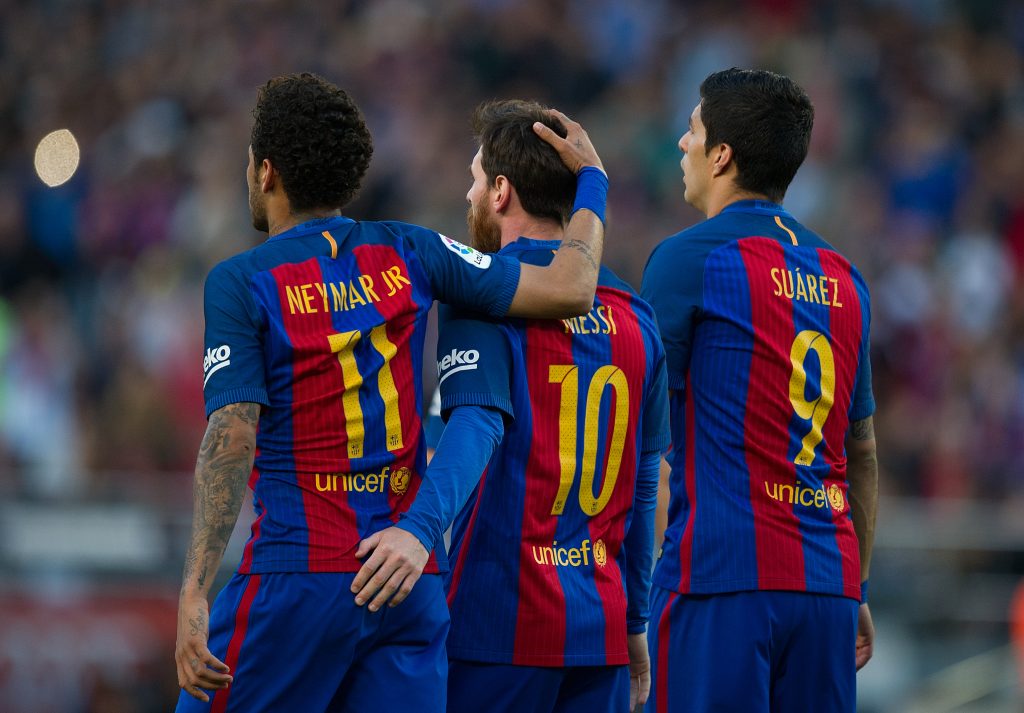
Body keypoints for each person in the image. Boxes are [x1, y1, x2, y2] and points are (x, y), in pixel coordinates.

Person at [173, 73, 609, 713]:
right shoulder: (415, 249)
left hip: (298, 580)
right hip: (407, 583)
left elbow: (231, 435)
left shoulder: (241, 281)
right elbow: (573, 286)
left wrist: (194, 589)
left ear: (266, 172)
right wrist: (593, 179)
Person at [353, 99, 670, 713]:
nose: (468, 195)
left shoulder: (487, 293)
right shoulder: (639, 320)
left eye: (474, 180)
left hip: (500, 624)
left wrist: (419, 528)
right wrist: (635, 621)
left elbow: (475, 424)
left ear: (501, 192)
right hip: (598, 632)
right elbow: (645, 484)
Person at [640, 68, 879, 713]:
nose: (682, 144)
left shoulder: (690, 259)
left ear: (721, 155)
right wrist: (853, 587)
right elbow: (861, 452)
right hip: (826, 588)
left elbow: (633, 427)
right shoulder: (845, 277)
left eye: (692, 131)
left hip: (722, 581)